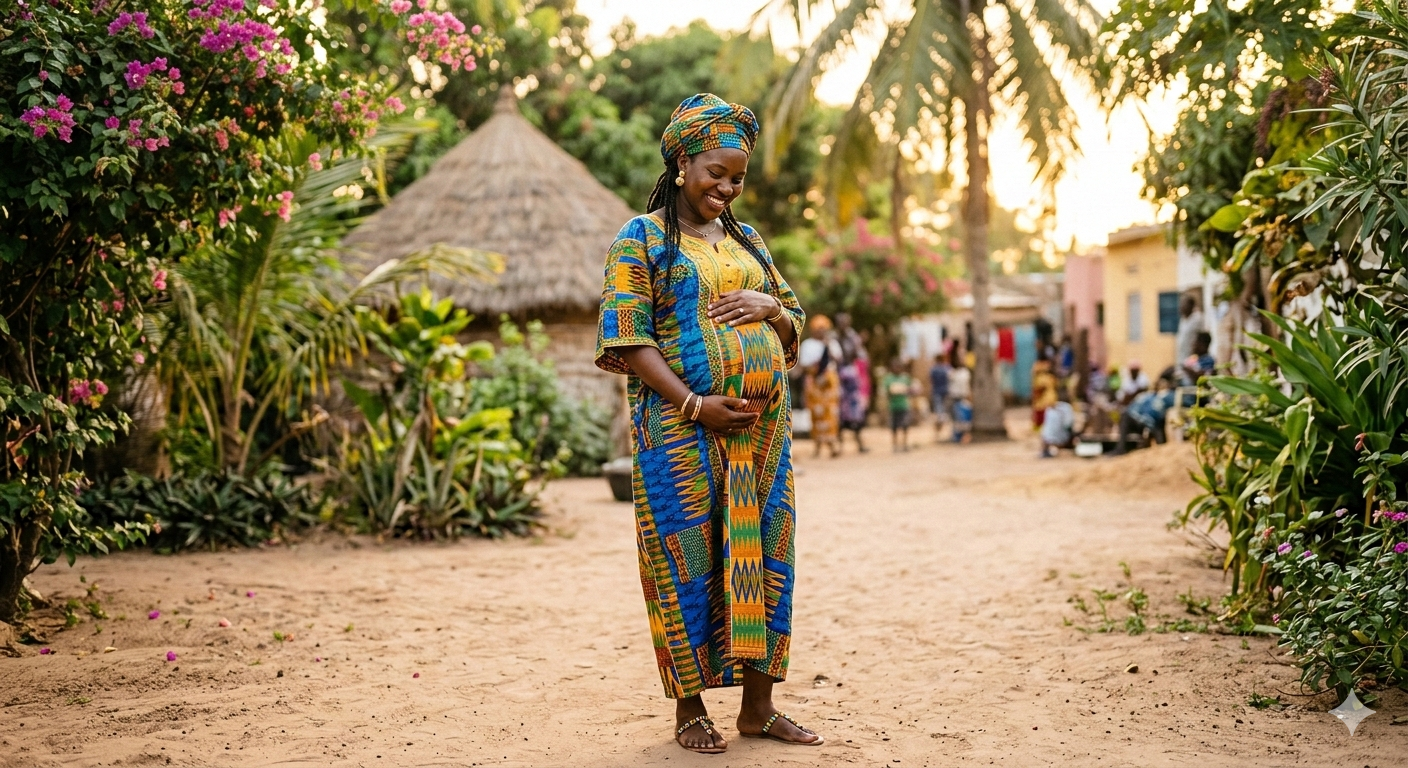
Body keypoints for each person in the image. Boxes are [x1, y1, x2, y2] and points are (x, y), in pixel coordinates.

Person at [595, 93, 822, 754]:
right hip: (679, 433)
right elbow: (628, 337)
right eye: (716, 173)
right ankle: (690, 710)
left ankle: (759, 707)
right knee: (685, 559)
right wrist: (695, 404)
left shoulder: (750, 241)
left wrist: (770, 310)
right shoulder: (641, 238)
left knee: (766, 555)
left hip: (761, 436)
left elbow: (795, 321)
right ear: (683, 163)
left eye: (737, 178)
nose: (726, 188)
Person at [800, 316, 842, 458]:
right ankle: (817, 446)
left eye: (823, 329)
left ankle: (832, 445)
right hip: (814, 382)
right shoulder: (807, 344)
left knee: (831, 413)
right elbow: (804, 365)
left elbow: (838, 360)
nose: (821, 331)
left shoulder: (832, 343)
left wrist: (828, 346)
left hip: (829, 383)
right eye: (818, 329)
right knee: (816, 413)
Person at [1113, 374, 1176, 454]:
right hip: (1142, 421)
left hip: (1153, 423)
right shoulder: (1147, 396)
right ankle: (1121, 448)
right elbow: (1133, 408)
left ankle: (1161, 447)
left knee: (1159, 426)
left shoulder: (1167, 396)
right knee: (1125, 416)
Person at [835, 312, 870, 453]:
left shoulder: (853, 338)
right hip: (837, 376)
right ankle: (839, 446)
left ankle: (859, 443)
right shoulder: (833, 338)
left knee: (855, 411)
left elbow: (860, 356)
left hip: (850, 374)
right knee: (838, 411)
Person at [883, 358, 917, 451]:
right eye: (895, 367)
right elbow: (885, 391)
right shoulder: (888, 378)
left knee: (905, 425)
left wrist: (907, 390)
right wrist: (892, 391)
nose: (896, 369)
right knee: (894, 427)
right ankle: (895, 445)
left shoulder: (905, 378)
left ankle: (905, 444)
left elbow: (912, 389)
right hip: (893, 406)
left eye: (898, 367)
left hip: (904, 405)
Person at [1039, 389, 1076, 458]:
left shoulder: (1049, 408)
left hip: (1046, 438)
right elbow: (1068, 424)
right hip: (1062, 439)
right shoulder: (1067, 407)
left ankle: (1045, 451)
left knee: (1045, 431)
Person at [1175, 295, 1205, 363]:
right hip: (1182, 355)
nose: (1181, 307)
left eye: (1184, 304)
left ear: (1191, 306)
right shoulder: (1183, 320)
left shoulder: (1197, 318)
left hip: (1193, 356)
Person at [929, 351, 951, 439]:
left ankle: (938, 430)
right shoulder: (947, 368)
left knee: (938, 412)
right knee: (945, 412)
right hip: (946, 391)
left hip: (936, 391)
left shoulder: (933, 369)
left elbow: (931, 380)